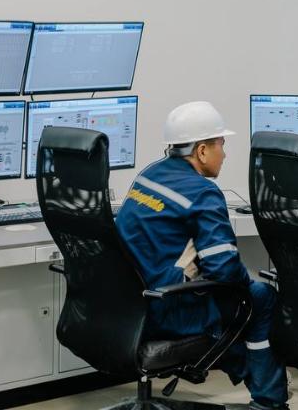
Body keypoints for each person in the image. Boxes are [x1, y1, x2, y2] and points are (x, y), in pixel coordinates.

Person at [117, 101, 288, 410]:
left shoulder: (149, 175)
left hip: (129, 305)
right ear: (202, 151)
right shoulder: (202, 193)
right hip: (167, 308)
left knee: (233, 302)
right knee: (259, 297)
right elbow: (224, 270)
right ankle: (270, 401)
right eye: (221, 144)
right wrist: (244, 283)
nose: (225, 153)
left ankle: (253, 376)